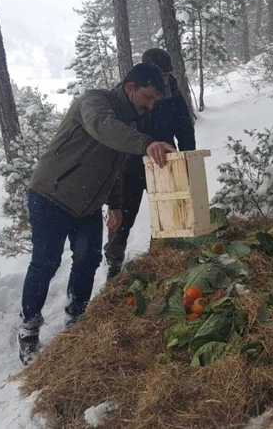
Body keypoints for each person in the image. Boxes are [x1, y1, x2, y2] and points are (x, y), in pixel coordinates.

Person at [18, 63, 176, 364]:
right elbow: (103, 129)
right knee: (45, 262)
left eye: (155, 100)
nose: (150, 104)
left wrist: (114, 204)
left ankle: (76, 320)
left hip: (87, 204)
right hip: (51, 193)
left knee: (88, 259)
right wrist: (146, 144)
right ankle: (28, 331)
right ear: (130, 88)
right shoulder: (95, 103)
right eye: (148, 96)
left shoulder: (128, 120)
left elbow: (113, 168)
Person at [103, 49, 196, 278]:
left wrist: (186, 164)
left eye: (165, 74)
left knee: (167, 216)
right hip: (130, 165)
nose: (162, 79)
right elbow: (114, 131)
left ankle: (160, 261)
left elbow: (185, 130)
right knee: (122, 216)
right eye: (158, 73)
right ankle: (114, 264)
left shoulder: (174, 94)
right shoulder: (128, 92)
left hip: (165, 164)